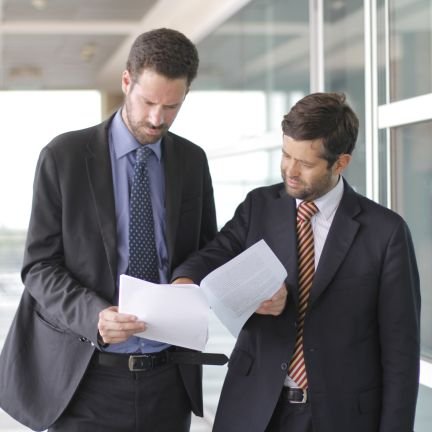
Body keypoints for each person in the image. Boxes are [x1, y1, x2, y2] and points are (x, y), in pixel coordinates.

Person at [0, 28, 222, 432]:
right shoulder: (64, 157)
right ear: (126, 82)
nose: (158, 118)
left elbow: (208, 247)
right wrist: (95, 315)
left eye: (172, 106)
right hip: (85, 378)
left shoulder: (192, 161)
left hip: (167, 380)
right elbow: (39, 267)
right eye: (148, 102)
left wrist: (190, 277)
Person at [172, 92, 421, 432]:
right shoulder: (258, 206)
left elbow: (400, 353)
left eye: (305, 163)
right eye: (286, 154)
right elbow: (211, 258)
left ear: (341, 163)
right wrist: (185, 284)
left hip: (342, 415)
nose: (290, 170)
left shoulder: (386, 232)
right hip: (253, 408)